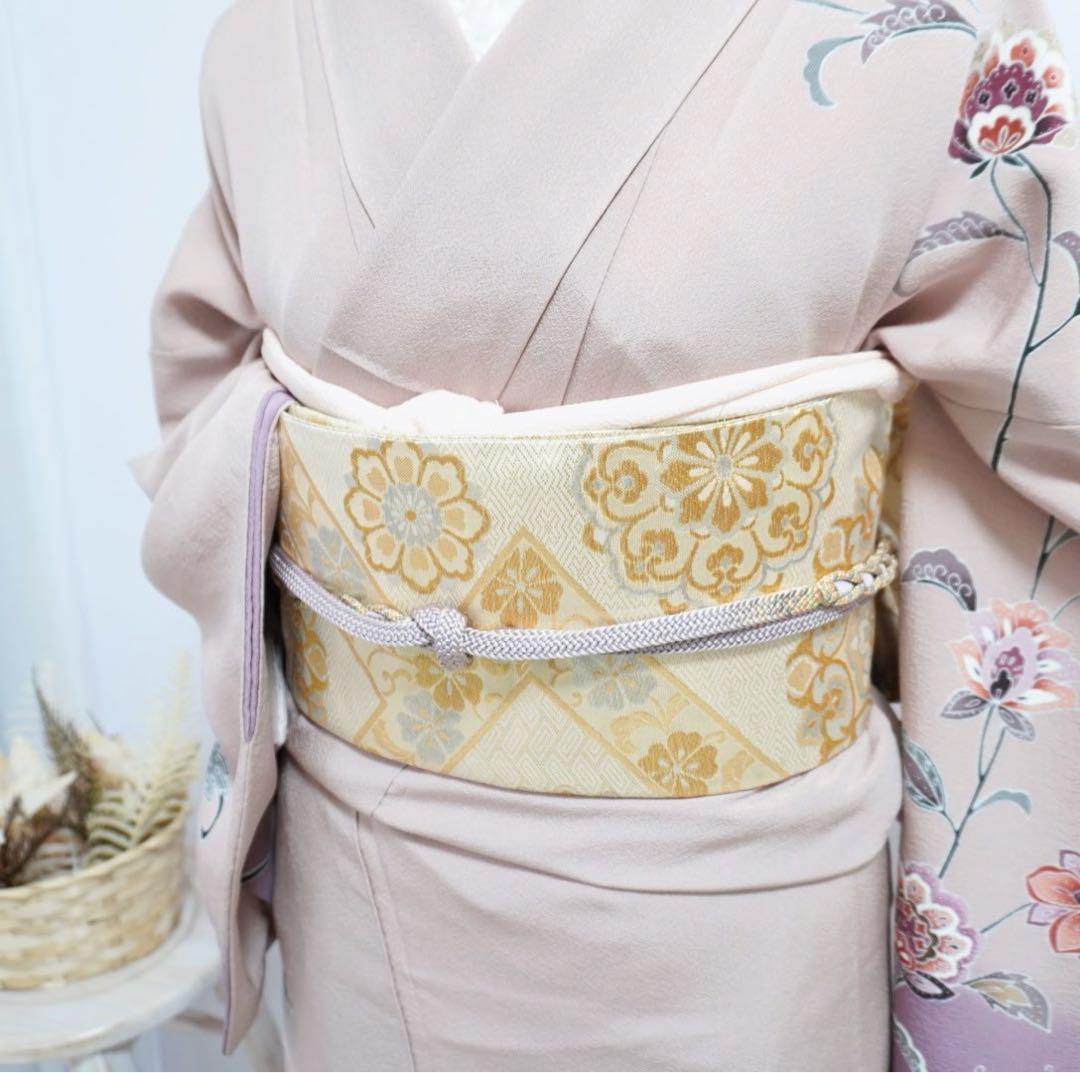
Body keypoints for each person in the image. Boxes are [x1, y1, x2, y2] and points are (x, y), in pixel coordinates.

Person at [137, 1, 1080, 1068]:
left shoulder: (927, 31)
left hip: (740, 906)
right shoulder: (267, 37)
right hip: (357, 879)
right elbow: (209, 379)